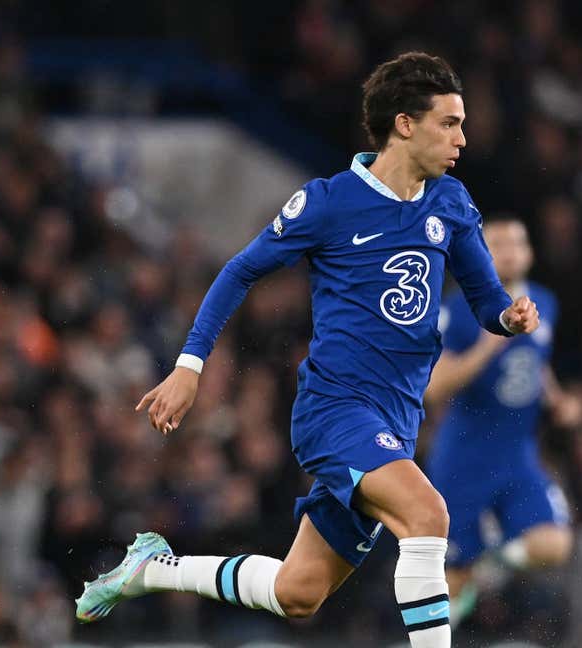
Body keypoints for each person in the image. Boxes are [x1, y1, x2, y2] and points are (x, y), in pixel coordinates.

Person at [74, 52, 540, 648]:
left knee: (299, 592)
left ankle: (153, 570)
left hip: (397, 418)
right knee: (429, 517)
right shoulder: (329, 202)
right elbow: (239, 271)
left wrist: (508, 315)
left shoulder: (450, 203)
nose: (462, 138)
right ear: (404, 124)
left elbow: (483, 299)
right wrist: (190, 365)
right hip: (336, 411)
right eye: (449, 123)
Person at [423, 217, 579, 626]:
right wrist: (489, 344)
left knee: (555, 545)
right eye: (498, 243)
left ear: (529, 253)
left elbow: (535, 363)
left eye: (517, 242)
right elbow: (434, 389)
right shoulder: (457, 311)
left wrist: (557, 399)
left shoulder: (545, 301)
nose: (509, 250)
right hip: (463, 461)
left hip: (517, 455)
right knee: (449, 598)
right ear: (480, 255)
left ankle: (486, 569)